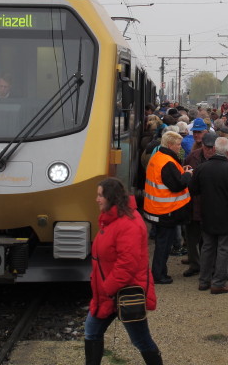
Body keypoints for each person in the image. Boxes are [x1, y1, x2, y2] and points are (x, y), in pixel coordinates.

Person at [85, 178, 163, 365]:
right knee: (92, 331)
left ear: (111, 198)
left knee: (141, 340)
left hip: (124, 293)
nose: (97, 199)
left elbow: (127, 264)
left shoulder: (129, 224)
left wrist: (107, 287)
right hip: (112, 292)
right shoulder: (112, 219)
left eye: (100, 195)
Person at [189, 136, 228, 294]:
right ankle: (218, 282)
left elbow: (193, 189)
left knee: (207, 247)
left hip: (207, 213)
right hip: (227, 216)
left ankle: (203, 280)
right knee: (223, 249)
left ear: (214, 149)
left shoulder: (202, 168)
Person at [144, 131, 193, 284]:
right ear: (170, 145)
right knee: (163, 245)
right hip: (166, 211)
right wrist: (188, 175)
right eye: (178, 144)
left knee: (161, 243)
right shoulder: (168, 162)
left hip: (155, 208)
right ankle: (159, 275)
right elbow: (176, 185)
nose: (180, 147)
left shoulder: (157, 157)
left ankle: (159, 272)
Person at [182, 132, 218, 277]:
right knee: (191, 238)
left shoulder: (220, 160)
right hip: (193, 204)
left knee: (208, 239)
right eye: (207, 147)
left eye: (212, 147)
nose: (209, 150)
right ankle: (194, 264)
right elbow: (185, 175)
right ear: (202, 145)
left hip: (210, 205)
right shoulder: (193, 157)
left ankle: (206, 265)